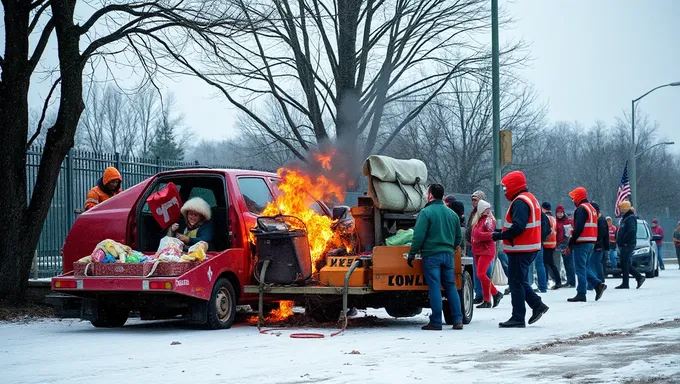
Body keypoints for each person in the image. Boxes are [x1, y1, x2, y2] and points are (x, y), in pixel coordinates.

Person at [492, 171, 549, 328]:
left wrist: (500, 236)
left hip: (521, 249)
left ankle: (518, 317)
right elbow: (544, 224)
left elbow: (518, 227)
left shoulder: (520, 202)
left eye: (505, 188)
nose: (504, 191)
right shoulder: (531, 199)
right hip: (530, 247)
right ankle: (537, 305)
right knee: (520, 280)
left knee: (515, 283)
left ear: (513, 185)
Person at [408, 184, 464, 330]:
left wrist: (412, 254)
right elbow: (459, 237)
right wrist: (451, 247)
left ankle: (436, 322)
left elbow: (418, 236)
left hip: (431, 255)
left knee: (434, 287)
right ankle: (458, 319)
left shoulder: (426, 212)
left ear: (430, 195)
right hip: (448, 255)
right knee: (450, 286)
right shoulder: (452, 214)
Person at [566, 187, 606, 302]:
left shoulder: (581, 209)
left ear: (578, 197)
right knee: (584, 267)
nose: (573, 200)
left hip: (582, 242)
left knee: (579, 268)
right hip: (591, 242)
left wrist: (572, 241)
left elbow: (578, 228)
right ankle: (598, 285)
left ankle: (581, 293)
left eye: (574, 197)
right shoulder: (591, 209)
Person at [470, 200, 504, 308]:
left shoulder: (487, 220)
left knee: (481, 274)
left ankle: (496, 293)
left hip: (486, 250)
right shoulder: (480, 220)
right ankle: (487, 300)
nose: (488, 210)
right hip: (479, 249)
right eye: (486, 209)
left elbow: (483, 234)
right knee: (481, 275)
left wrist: (478, 235)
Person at [466, 190, 492, 304]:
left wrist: (477, 235)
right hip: (474, 246)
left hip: (483, 248)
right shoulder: (474, 213)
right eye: (472, 200)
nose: (473, 202)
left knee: (482, 273)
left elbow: (489, 233)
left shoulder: (486, 215)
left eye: (475, 200)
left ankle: (489, 294)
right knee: (478, 272)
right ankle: (481, 294)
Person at [615, 201, 645, 289]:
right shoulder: (626, 217)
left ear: (624, 208)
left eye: (620, 208)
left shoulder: (630, 218)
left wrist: (624, 240)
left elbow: (631, 231)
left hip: (627, 244)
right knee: (625, 262)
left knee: (624, 262)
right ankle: (637, 277)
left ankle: (629, 281)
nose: (619, 210)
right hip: (625, 244)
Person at [541, 202, 562, 289]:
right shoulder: (553, 219)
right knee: (551, 263)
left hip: (546, 243)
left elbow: (545, 230)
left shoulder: (545, 218)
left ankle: (547, 282)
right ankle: (557, 281)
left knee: (546, 264)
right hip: (553, 243)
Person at [588, 202, 609, 289]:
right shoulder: (600, 219)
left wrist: (597, 244)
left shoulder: (600, 220)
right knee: (597, 264)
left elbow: (601, 234)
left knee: (593, 264)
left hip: (598, 245)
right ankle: (600, 280)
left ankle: (595, 283)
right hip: (598, 245)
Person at [555, 205, 576, 287]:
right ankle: (568, 280)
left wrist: (566, 244)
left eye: (561, 213)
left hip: (566, 245)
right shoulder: (555, 221)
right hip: (558, 245)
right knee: (564, 263)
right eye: (558, 213)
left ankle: (572, 281)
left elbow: (569, 234)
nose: (559, 214)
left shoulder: (567, 221)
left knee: (569, 264)